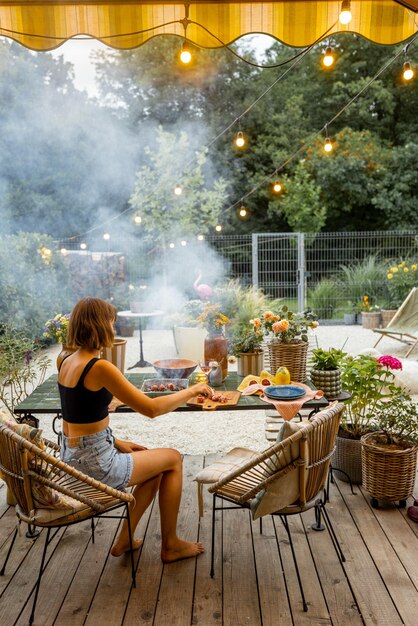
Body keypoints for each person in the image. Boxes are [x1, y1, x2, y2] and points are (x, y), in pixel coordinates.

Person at [58, 297, 212, 562]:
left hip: (73, 458)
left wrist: (116, 442)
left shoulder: (66, 361)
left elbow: (76, 419)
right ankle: (171, 545)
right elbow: (151, 409)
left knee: (154, 467)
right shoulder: (100, 367)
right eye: (112, 322)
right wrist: (192, 390)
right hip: (95, 466)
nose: (114, 329)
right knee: (173, 459)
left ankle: (125, 539)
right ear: (100, 325)